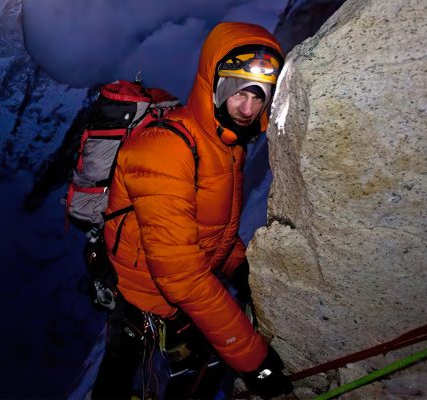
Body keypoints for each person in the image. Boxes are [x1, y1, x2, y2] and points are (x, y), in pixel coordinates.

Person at [92, 22, 293, 399]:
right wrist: (253, 360)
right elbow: (181, 275)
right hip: (144, 299)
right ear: (211, 85)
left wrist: (238, 265)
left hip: (184, 295)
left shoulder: (227, 144)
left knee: (197, 372)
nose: (248, 108)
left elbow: (210, 227)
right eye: (237, 92)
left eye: (260, 96)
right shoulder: (168, 151)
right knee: (120, 380)